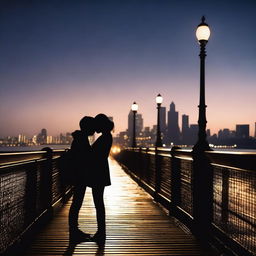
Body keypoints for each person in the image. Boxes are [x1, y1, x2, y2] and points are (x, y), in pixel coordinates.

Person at [68, 116, 95, 242]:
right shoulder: (81, 140)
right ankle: (74, 233)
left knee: (76, 203)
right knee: (76, 203)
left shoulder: (80, 138)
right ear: (87, 127)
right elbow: (84, 157)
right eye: (92, 126)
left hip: (78, 174)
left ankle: (75, 231)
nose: (94, 129)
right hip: (79, 175)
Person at [90, 114, 114, 243]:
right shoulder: (106, 136)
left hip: (98, 172)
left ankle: (101, 233)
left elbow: (95, 155)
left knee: (98, 203)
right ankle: (101, 232)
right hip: (101, 171)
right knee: (99, 202)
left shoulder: (104, 138)